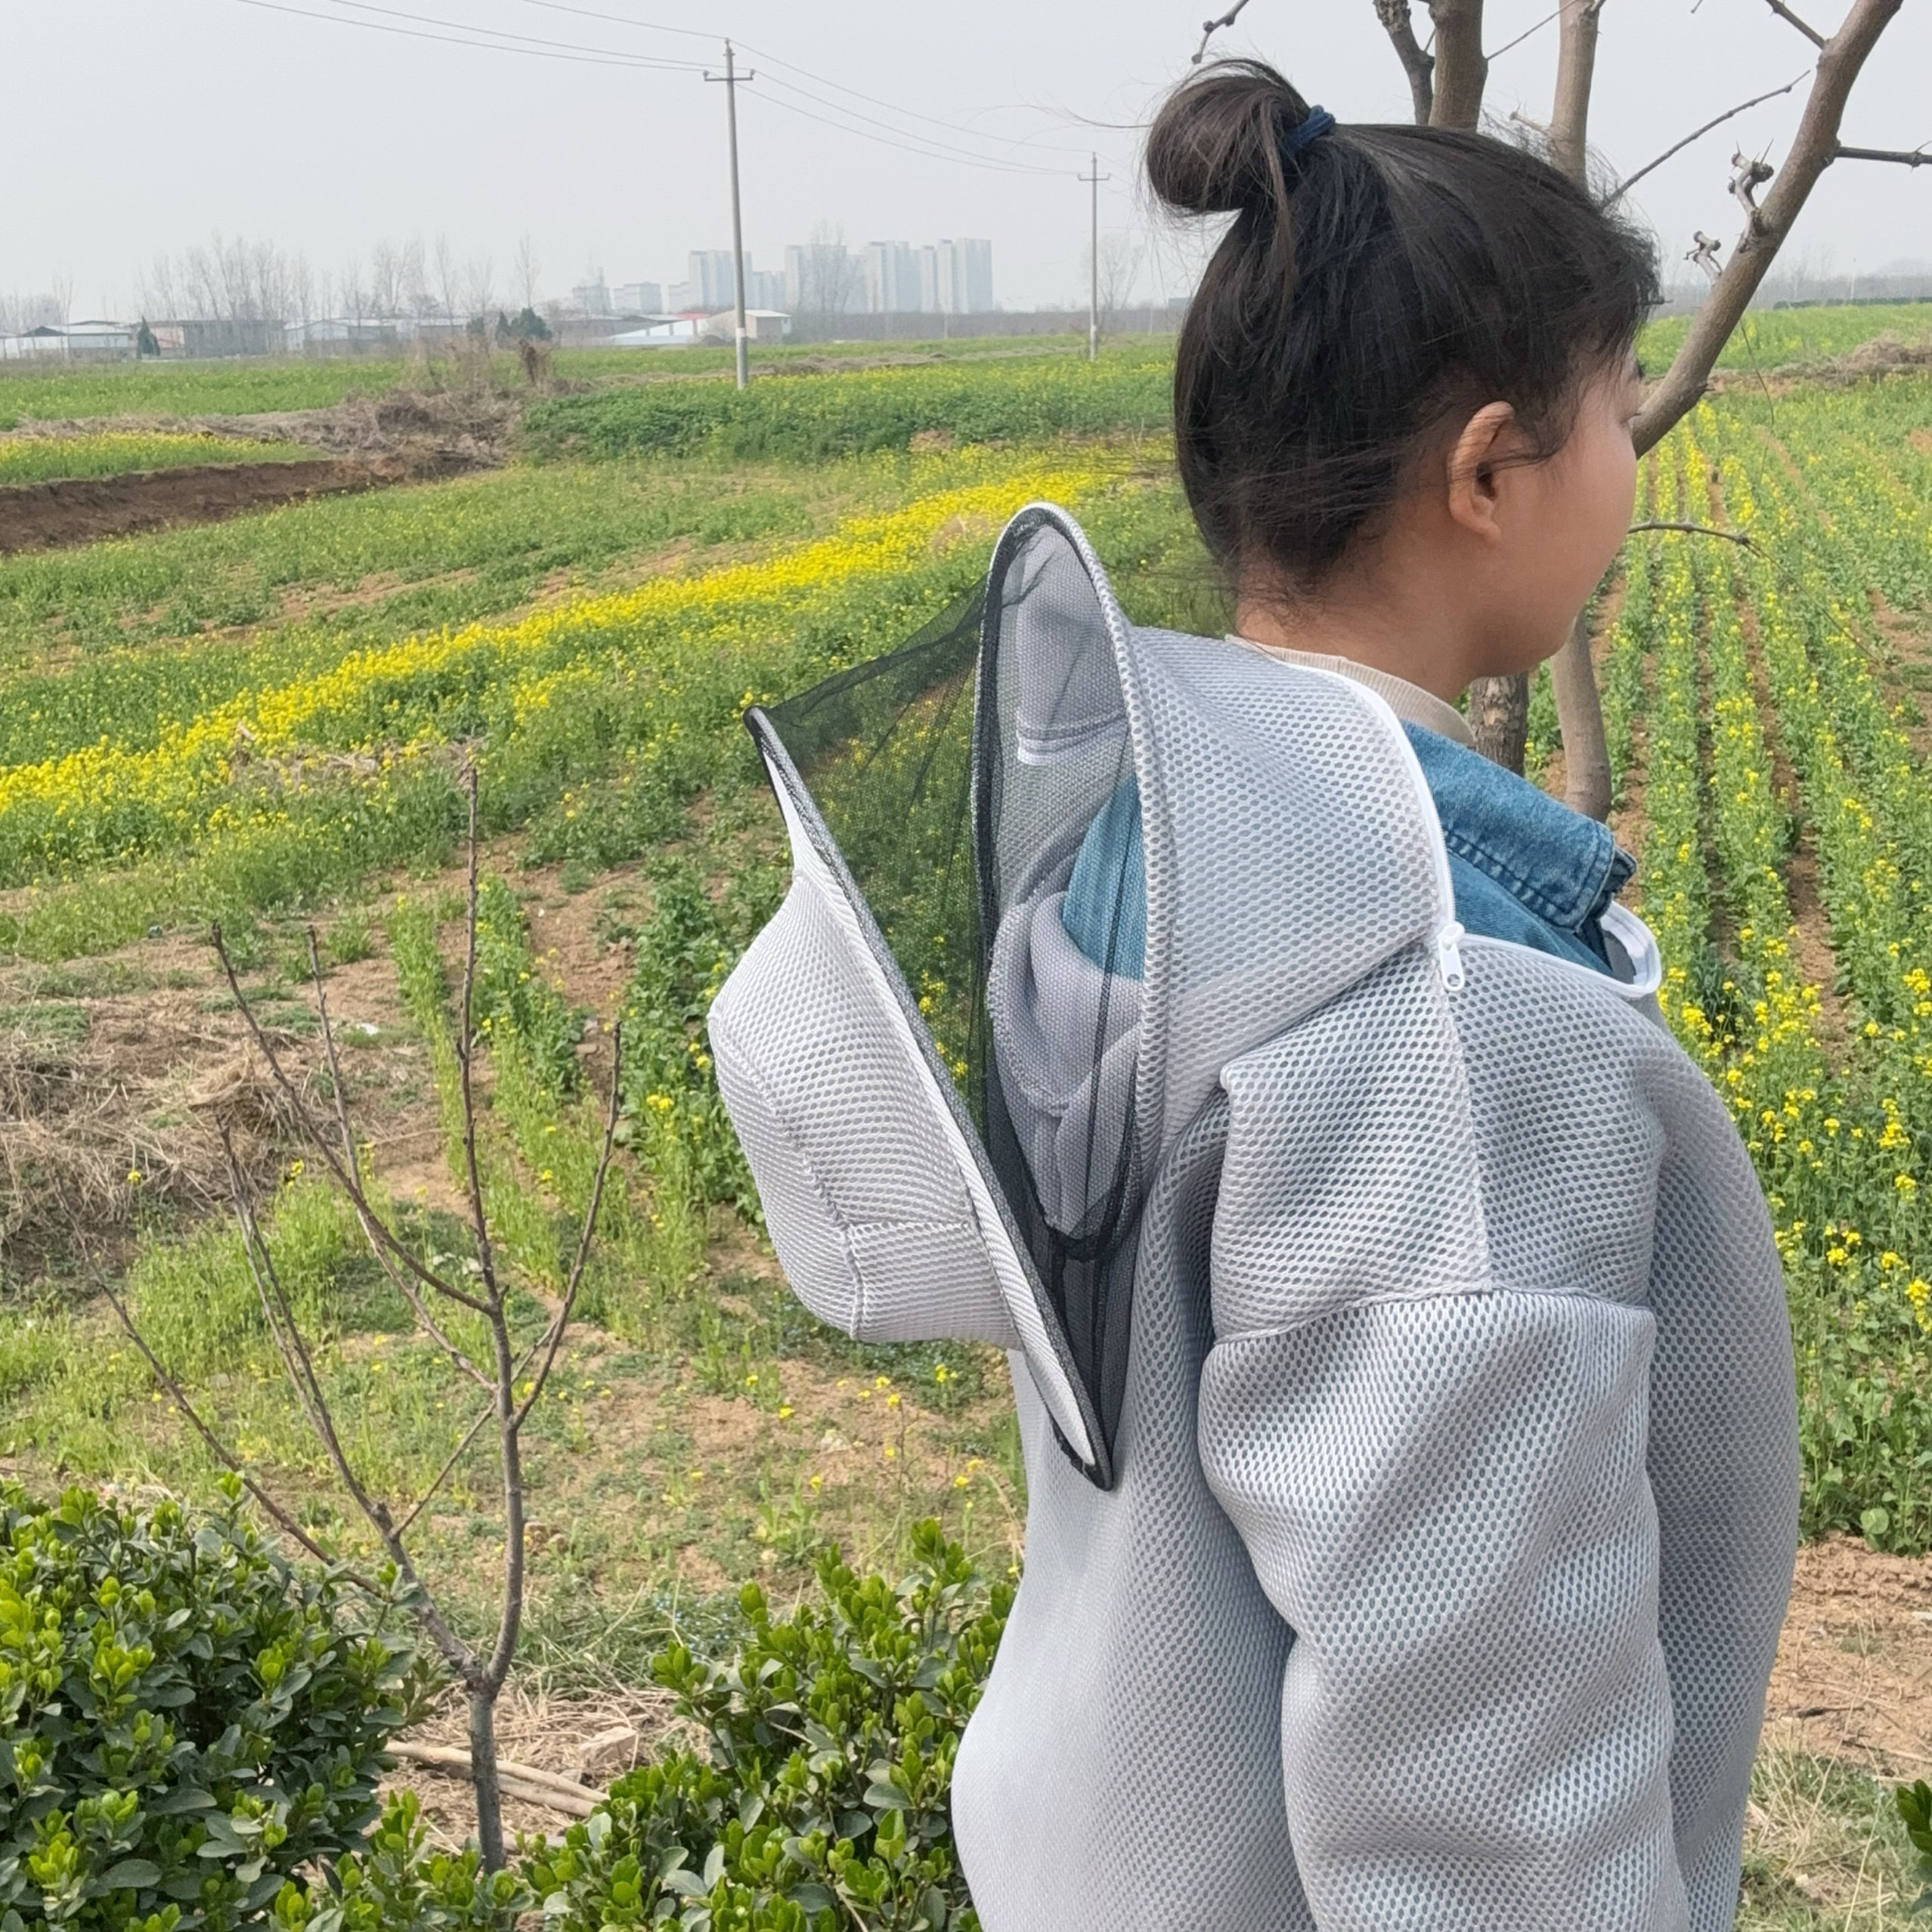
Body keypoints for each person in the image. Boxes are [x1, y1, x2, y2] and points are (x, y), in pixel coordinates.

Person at [709, 58, 1797, 1932]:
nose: (1637, 459)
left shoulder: (1149, 846)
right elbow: (1488, 1793)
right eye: (1616, 413)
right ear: (1485, 473)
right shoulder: (1445, 1027)